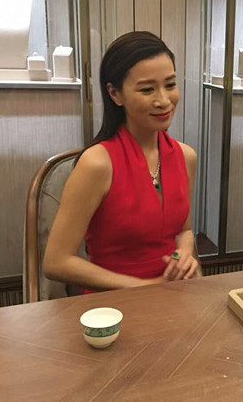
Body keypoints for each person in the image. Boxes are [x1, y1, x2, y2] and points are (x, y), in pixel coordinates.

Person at [44, 31, 200, 291]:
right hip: (113, 302)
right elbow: (56, 262)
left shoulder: (186, 157)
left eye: (171, 85)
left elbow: (184, 229)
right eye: (147, 89)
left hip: (173, 294)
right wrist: (145, 287)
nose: (164, 101)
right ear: (115, 94)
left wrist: (183, 254)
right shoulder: (97, 163)